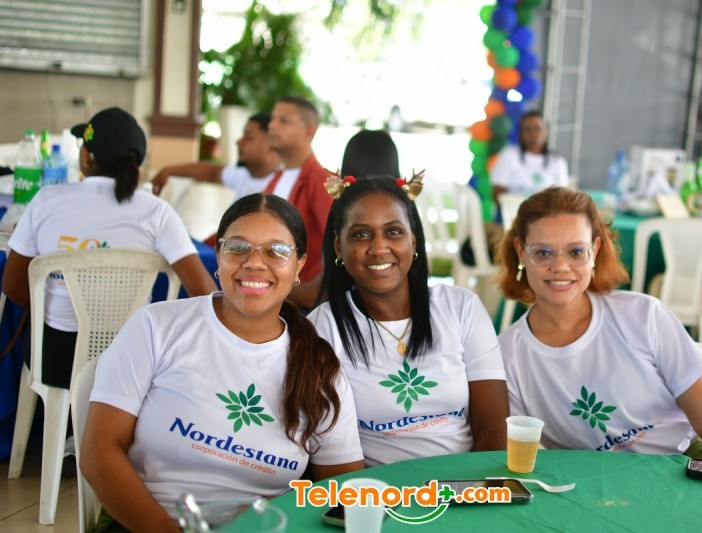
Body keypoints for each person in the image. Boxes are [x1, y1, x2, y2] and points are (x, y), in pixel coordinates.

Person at [80, 193, 365, 531]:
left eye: (276, 251)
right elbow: (99, 453)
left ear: (299, 265)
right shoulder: (156, 326)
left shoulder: (320, 368)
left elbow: (342, 492)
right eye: (238, 248)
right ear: (218, 255)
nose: (254, 263)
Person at [495, 186, 702, 463]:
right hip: (593, 482)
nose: (560, 266)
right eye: (543, 252)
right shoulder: (506, 357)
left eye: (576, 252)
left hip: (683, 464)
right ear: (521, 252)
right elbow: (516, 456)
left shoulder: (643, 316)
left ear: (595, 250)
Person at [2, 107, 217, 389]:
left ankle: (52, 417)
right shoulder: (157, 212)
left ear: (86, 157)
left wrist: (49, 308)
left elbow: (12, 285)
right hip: (132, 360)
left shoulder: (46, 200)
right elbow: (204, 292)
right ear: (136, 165)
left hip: (55, 361)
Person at [308, 174, 509, 467]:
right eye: (361, 235)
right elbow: (336, 464)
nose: (379, 247)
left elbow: (493, 428)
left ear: (413, 241)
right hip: (379, 491)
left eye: (393, 232)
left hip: (466, 484)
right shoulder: (322, 328)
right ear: (339, 247)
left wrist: (477, 487)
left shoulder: (462, 307)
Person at [265, 96, 333, 310]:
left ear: (309, 131)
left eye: (283, 121)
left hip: (301, 304)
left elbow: (338, 243)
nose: (272, 125)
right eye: (272, 119)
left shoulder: (321, 180)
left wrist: (311, 291)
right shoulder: (276, 178)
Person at [150, 113, 281, 200]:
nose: (238, 142)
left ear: (271, 144)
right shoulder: (245, 175)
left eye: (248, 136)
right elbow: (212, 172)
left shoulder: (283, 187)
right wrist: (168, 171)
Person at [490, 110, 569, 203]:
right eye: (528, 129)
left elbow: (562, 196)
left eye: (537, 128)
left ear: (545, 131)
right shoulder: (508, 155)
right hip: (515, 209)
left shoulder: (557, 161)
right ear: (520, 133)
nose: (533, 133)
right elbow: (498, 193)